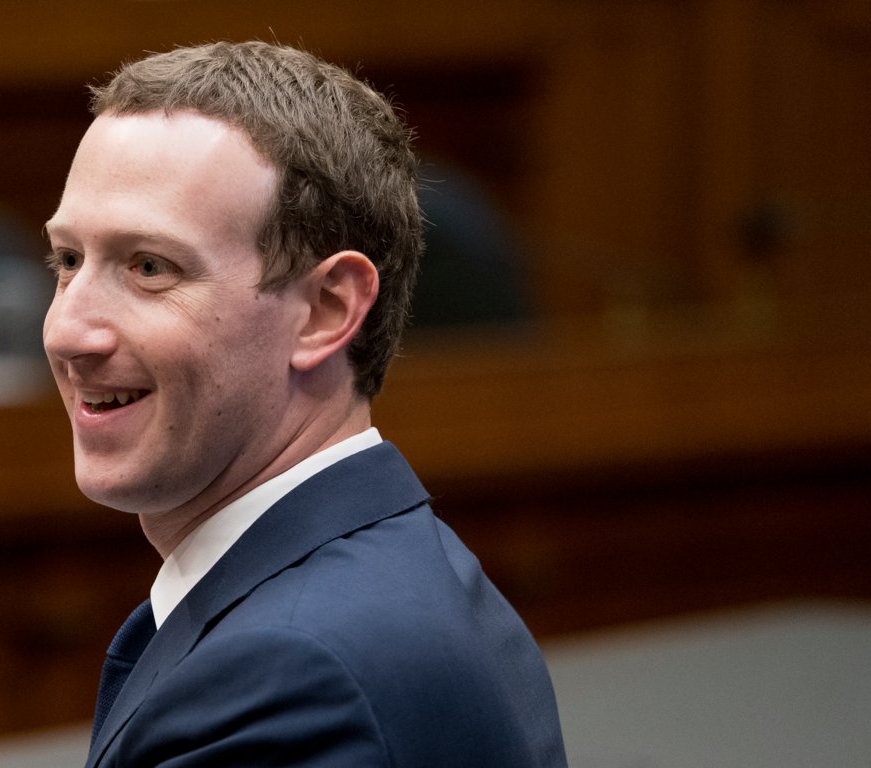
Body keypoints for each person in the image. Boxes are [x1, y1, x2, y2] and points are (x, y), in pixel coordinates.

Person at [41, 41, 566, 767]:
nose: (67, 331)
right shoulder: (389, 577)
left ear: (326, 310)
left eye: (149, 267)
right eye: (68, 260)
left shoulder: (294, 673)